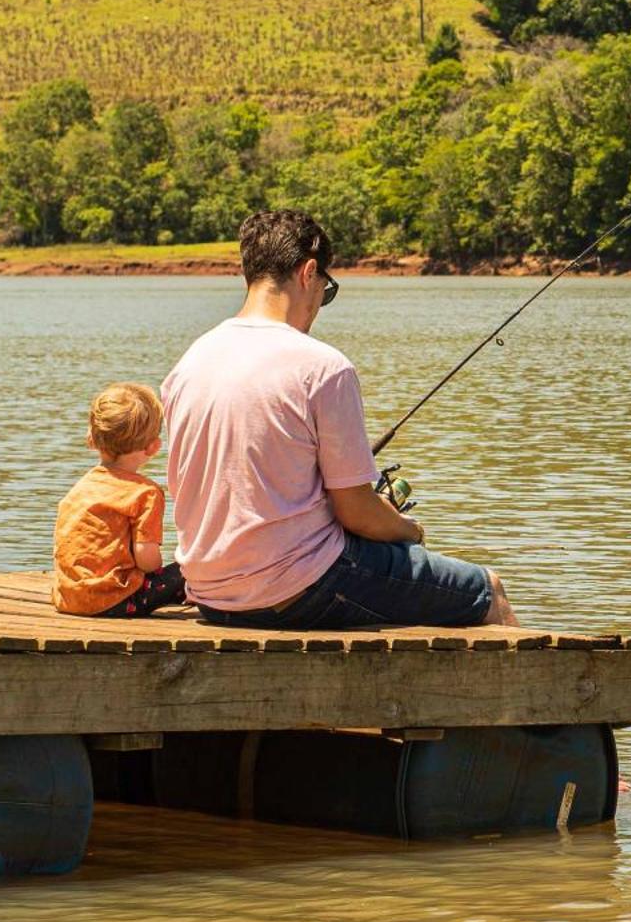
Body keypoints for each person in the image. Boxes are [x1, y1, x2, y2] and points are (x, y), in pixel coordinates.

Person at [161, 208, 518, 631]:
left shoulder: (189, 364)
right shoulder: (324, 367)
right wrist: (409, 530)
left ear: (248, 277)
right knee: (485, 590)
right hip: (298, 587)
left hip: (210, 593)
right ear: (309, 273)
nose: (319, 305)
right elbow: (357, 513)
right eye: (325, 291)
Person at [54, 383, 188, 617]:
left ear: (92, 439)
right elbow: (148, 562)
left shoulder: (81, 488)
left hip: (69, 598)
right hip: (116, 600)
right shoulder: (144, 493)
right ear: (154, 446)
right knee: (189, 569)